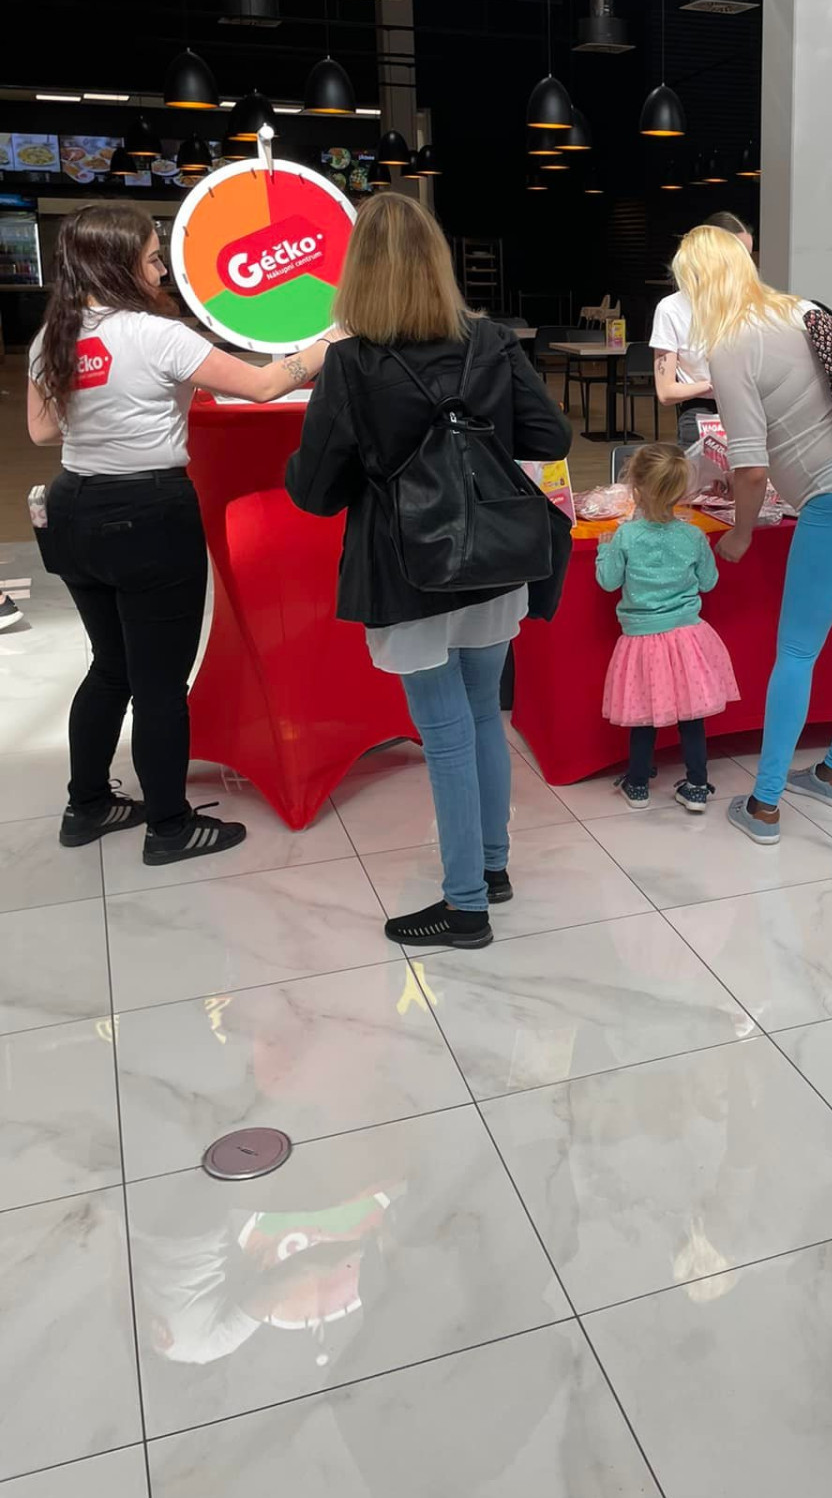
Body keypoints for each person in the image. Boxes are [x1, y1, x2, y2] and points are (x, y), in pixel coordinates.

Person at [285, 191, 571, 949]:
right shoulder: (491, 342)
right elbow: (550, 435)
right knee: (482, 716)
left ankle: (465, 906)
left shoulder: (350, 364)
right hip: (495, 557)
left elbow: (315, 492)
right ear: (438, 263)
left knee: (445, 733)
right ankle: (492, 866)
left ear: (358, 272)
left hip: (406, 568)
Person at [27, 203, 334, 862]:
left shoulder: (53, 336)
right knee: (160, 684)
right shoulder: (158, 336)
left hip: (72, 509)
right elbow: (263, 386)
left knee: (110, 666)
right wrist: (328, 343)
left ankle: (87, 805)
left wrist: (103, 406)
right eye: (151, 258)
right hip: (148, 513)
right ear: (119, 265)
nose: (161, 270)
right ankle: (169, 827)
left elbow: (42, 430)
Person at [671, 224, 832, 845]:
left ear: (696, 285)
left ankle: (764, 805)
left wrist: (738, 535)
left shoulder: (731, 346)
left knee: (796, 652)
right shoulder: (802, 309)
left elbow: (751, 469)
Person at [596, 442, 738, 813]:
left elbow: (608, 582)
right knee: (691, 717)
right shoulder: (693, 536)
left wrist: (604, 550)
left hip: (643, 639)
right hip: (688, 637)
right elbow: (708, 582)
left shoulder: (626, 536)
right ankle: (696, 786)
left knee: (644, 716)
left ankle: (638, 784)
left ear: (636, 487)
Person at [650, 211, 754, 447]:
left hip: (750, 411)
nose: (746, 266)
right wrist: (713, 385)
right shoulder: (672, 308)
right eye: (739, 255)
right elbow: (666, 392)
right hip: (701, 415)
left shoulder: (751, 303)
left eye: (748, 257)